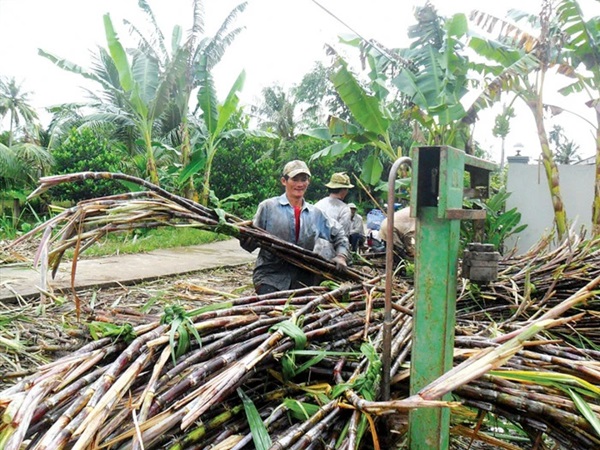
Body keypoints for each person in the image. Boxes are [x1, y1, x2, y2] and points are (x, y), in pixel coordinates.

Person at [240, 160, 350, 295]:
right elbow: (251, 243)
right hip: (271, 275)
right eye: (295, 179)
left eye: (303, 179)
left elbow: (339, 233)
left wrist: (341, 255)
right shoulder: (268, 207)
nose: (299, 184)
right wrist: (245, 240)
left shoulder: (315, 214)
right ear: (284, 181)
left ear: (308, 182)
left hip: (303, 277)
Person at [313, 172, 354, 260]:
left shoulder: (317, 204)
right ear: (343, 190)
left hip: (312, 249)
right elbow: (343, 236)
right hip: (330, 253)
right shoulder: (344, 209)